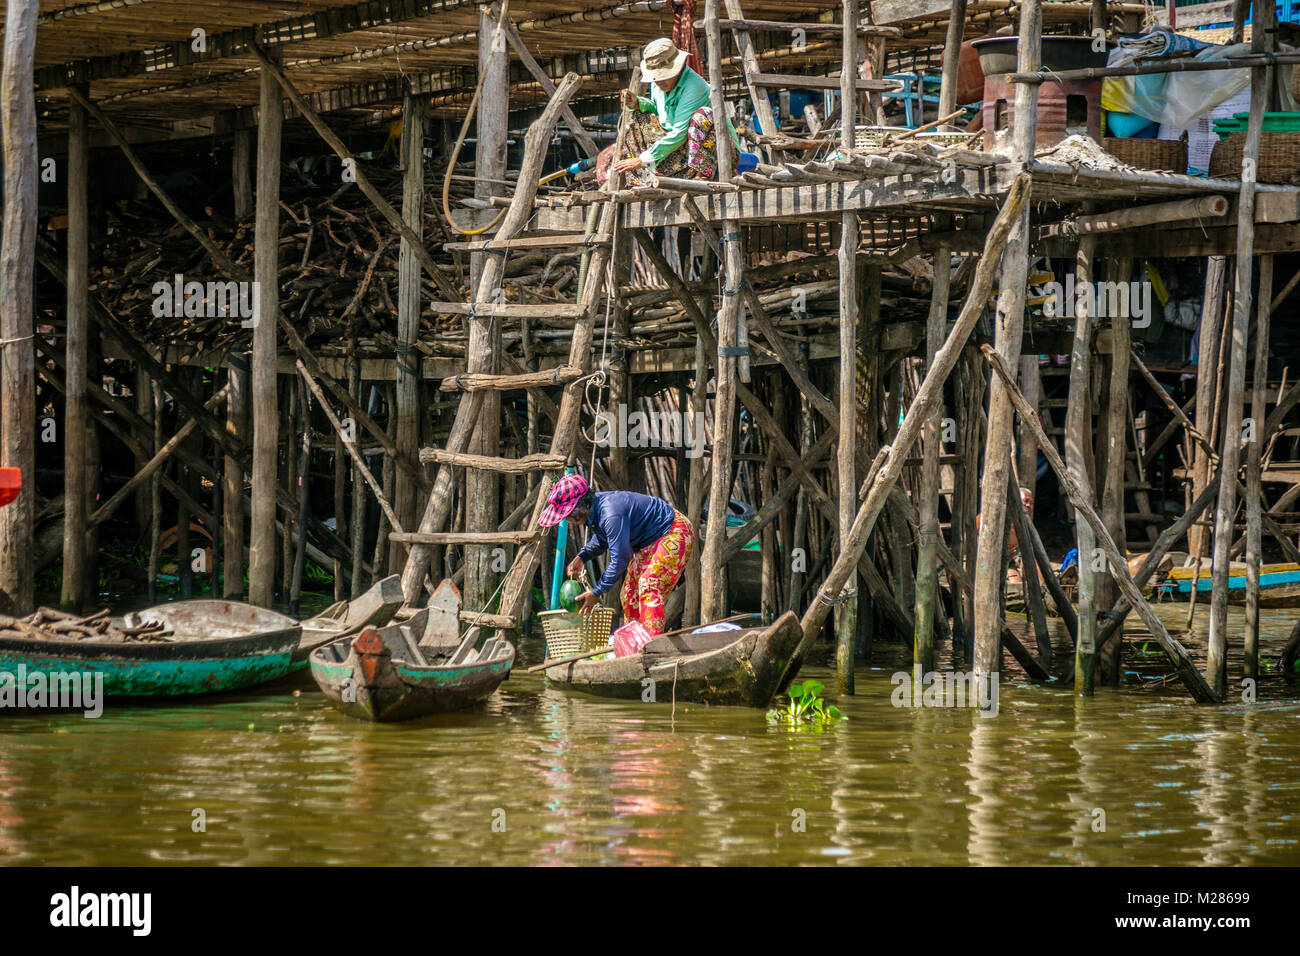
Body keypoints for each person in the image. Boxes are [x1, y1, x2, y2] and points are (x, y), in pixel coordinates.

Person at [538, 474, 695, 637]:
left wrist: (596, 592)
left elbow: (620, 558)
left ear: (581, 505)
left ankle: (652, 647)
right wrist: (582, 556)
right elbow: (602, 538)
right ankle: (634, 642)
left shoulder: (610, 513)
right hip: (648, 543)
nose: (567, 518)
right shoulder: (596, 509)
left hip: (673, 532)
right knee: (628, 595)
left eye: (568, 513)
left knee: (649, 584)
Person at [596, 37, 740, 186]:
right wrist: (638, 103)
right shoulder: (658, 84)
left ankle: (703, 175)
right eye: (657, 78)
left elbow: (679, 132)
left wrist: (642, 159)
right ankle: (643, 178)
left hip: (720, 152)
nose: (659, 81)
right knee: (638, 117)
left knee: (702, 116)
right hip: (682, 149)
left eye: (663, 76)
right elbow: (659, 111)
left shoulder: (694, 86)